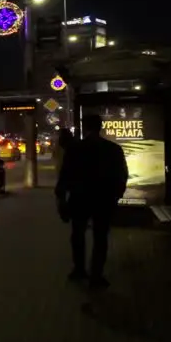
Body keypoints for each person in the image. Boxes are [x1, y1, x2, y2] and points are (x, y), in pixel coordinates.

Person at [54, 114, 128, 289]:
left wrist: (61, 199)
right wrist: (116, 196)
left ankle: (79, 270)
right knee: (100, 237)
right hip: (103, 200)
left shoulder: (75, 149)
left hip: (80, 199)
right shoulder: (113, 149)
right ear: (100, 127)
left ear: (84, 127)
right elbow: (122, 175)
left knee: (78, 235)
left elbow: (65, 176)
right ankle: (96, 275)